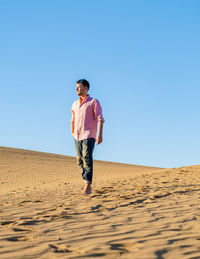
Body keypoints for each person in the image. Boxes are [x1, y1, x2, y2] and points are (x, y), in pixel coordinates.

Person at [71, 79, 104, 195]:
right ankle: (86, 180)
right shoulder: (74, 104)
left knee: (87, 158)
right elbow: (73, 119)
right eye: (76, 87)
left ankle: (87, 185)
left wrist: (99, 134)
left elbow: (100, 119)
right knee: (79, 160)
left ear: (86, 88)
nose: (77, 89)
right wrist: (72, 132)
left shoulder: (94, 102)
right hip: (77, 136)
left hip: (89, 134)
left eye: (79, 87)